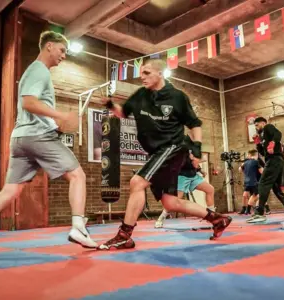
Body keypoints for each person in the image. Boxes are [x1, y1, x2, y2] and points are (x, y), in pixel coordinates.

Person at [0, 31, 98, 256]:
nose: (64, 56)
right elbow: (29, 103)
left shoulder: (35, 71)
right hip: (38, 137)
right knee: (78, 175)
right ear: (49, 46)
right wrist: (60, 116)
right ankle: (79, 227)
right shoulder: (39, 70)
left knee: (9, 191)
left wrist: (56, 123)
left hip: (21, 139)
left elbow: (31, 107)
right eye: (62, 50)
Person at [98, 59, 232, 249]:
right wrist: (111, 105)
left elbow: (194, 123)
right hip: (156, 151)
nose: (142, 77)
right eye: (141, 73)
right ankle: (217, 219)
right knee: (170, 202)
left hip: (172, 147)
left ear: (160, 73)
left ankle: (124, 235)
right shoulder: (140, 95)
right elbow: (123, 113)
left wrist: (197, 146)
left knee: (137, 182)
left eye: (147, 73)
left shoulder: (177, 97)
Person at [154, 136, 216, 228]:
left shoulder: (195, 144)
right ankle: (161, 218)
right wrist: (193, 160)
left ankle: (213, 217)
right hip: (182, 176)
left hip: (193, 176)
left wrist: (200, 169)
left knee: (210, 189)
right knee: (174, 201)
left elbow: (195, 162)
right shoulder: (182, 142)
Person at [246, 117, 284, 223]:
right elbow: (262, 152)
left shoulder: (268, 127)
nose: (256, 127)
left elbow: (278, 134)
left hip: (274, 160)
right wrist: (257, 142)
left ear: (263, 123)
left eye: (257, 125)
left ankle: (259, 213)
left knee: (262, 184)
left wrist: (273, 142)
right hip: (273, 161)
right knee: (277, 190)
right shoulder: (262, 136)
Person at [239, 149, 263, 215]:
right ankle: (248, 210)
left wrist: (247, 172)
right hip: (253, 182)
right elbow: (262, 171)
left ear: (250, 155)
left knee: (245, 195)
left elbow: (240, 170)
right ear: (256, 155)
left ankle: (247, 209)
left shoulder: (245, 162)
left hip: (247, 181)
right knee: (256, 196)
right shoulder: (256, 162)